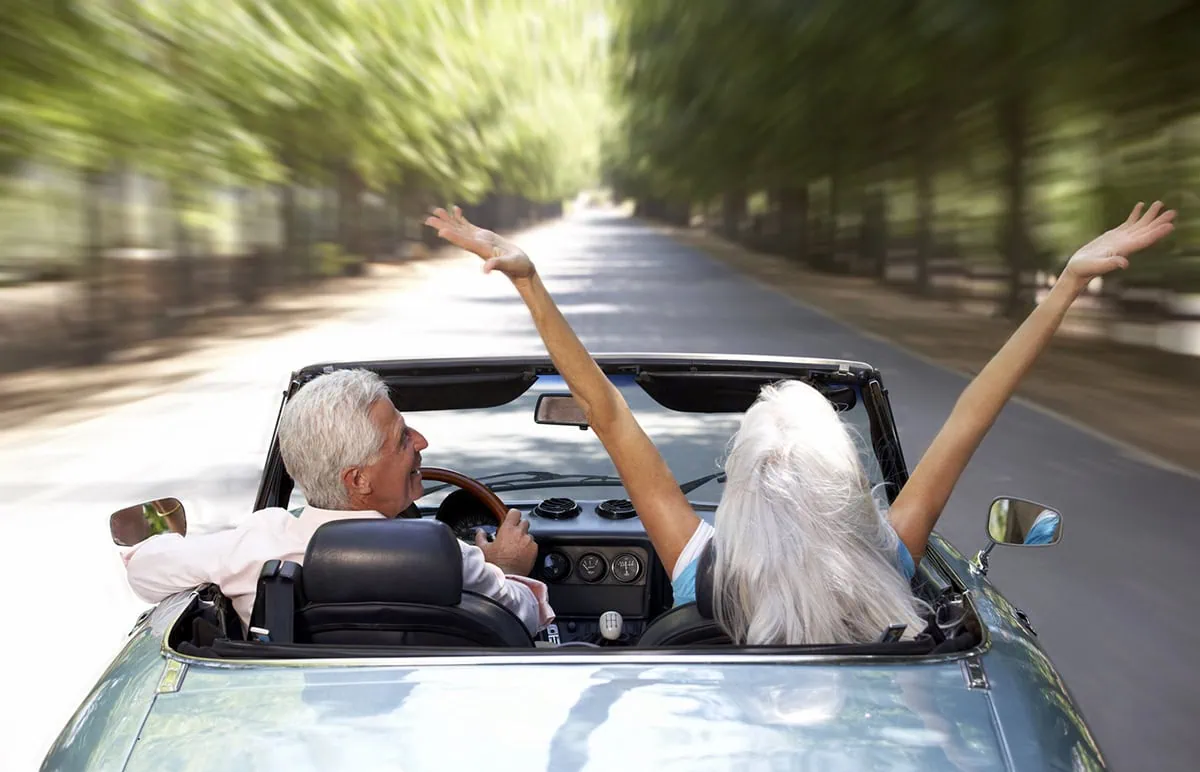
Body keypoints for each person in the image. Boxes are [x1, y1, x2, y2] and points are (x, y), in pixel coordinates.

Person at [426, 200, 1175, 646]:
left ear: (746, 486)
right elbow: (975, 409)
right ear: (848, 488)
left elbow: (611, 416)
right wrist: (1067, 284)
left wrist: (528, 280)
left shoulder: (704, 572)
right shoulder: (888, 556)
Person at [119, 368, 555, 635]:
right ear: (358, 479)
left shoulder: (255, 545)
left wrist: (161, 535)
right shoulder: (447, 555)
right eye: (402, 438)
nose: (422, 441)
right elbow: (525, 616)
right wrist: (509, 568)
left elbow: (143, 568)